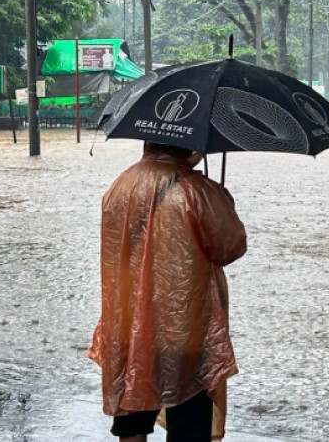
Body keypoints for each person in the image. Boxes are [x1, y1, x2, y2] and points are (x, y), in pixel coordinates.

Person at [88, 142, 247, 442]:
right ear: (190, 145)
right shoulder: (196, 191)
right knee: (188, 420)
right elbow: (231, 246)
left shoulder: (119, 186)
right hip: (184, 330)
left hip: (129, 326)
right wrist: (222, 201)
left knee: (132, 422)